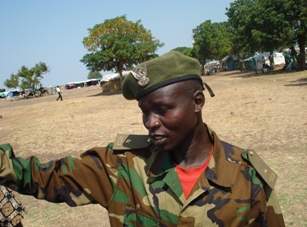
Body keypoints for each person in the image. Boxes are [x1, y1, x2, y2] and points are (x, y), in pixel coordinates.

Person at [0, 51, 285, 226]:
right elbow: (44, 177)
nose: (150, 123)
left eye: (162, 110)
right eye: (144, 112)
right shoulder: (122, 166)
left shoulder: (248, 178)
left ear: (197, 101)